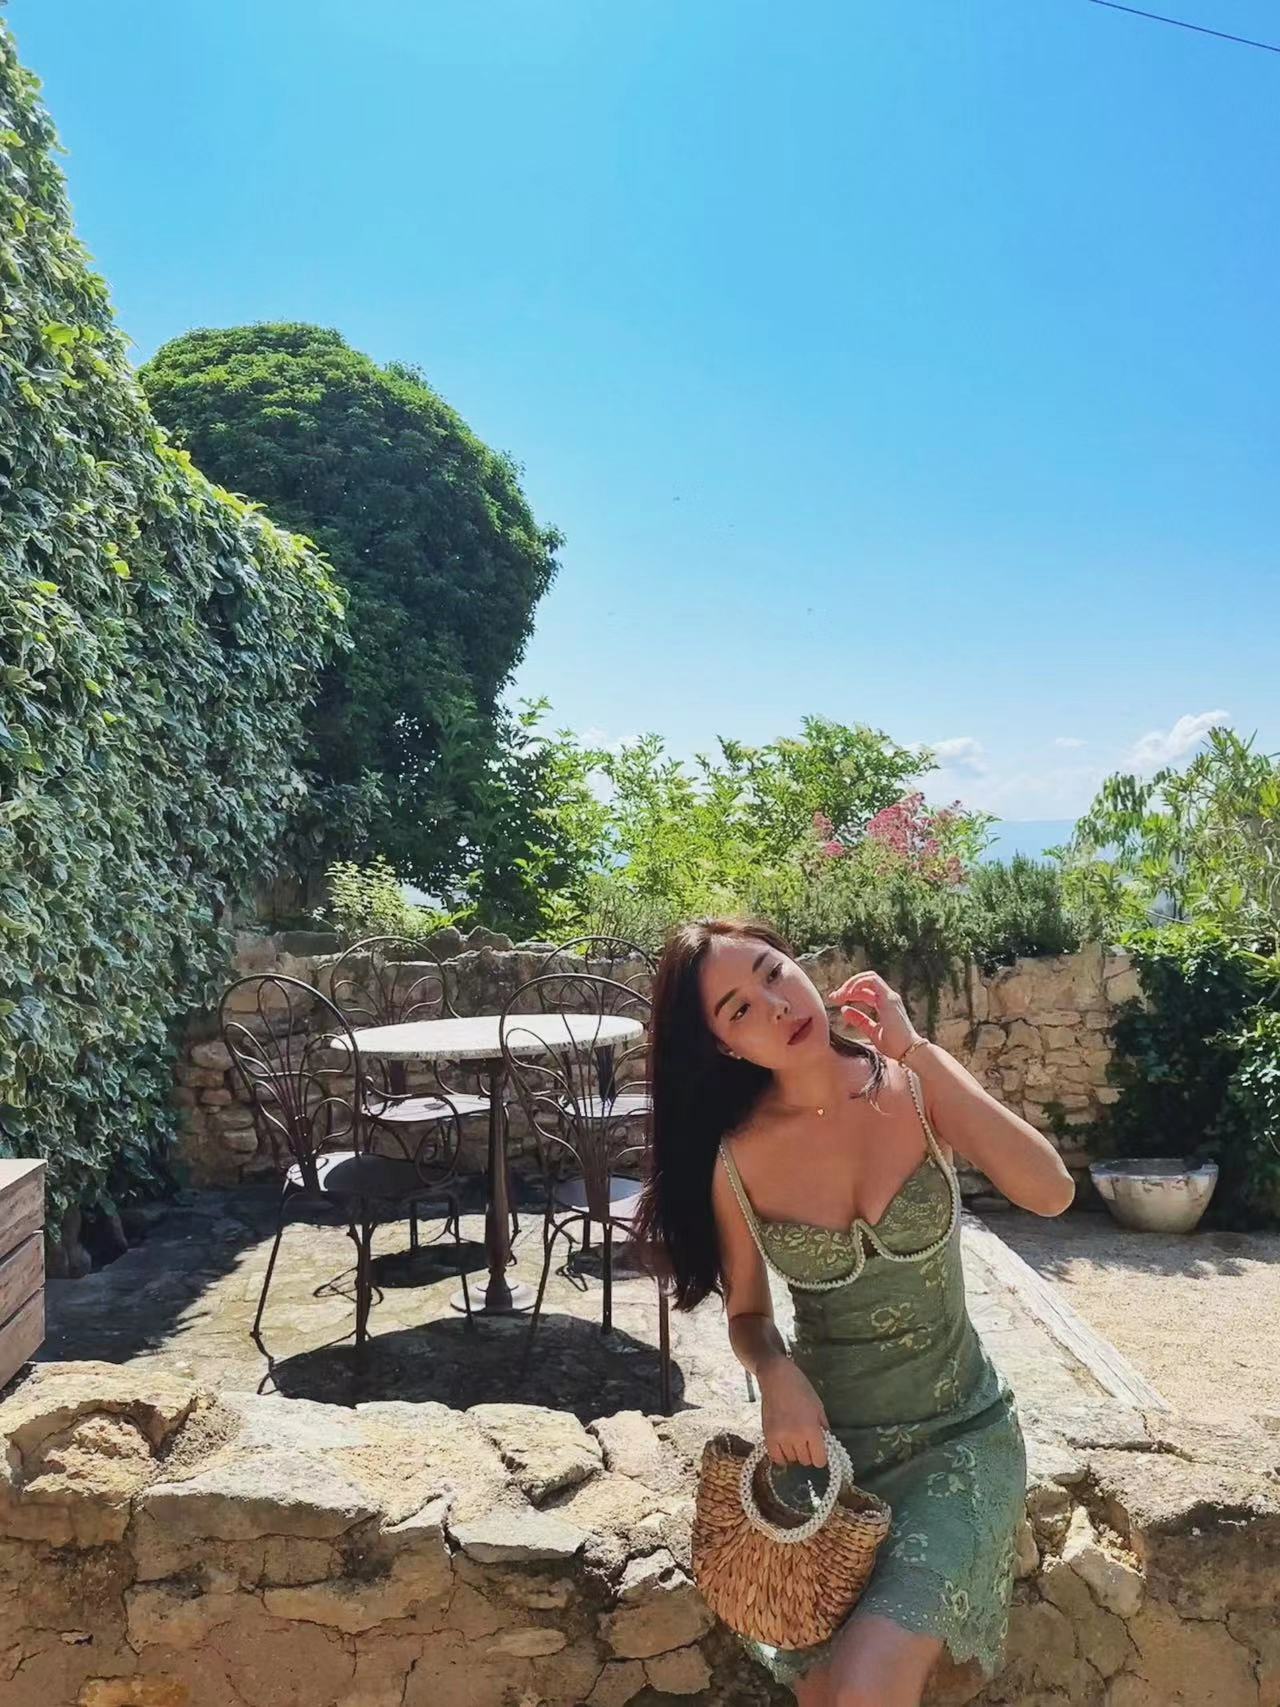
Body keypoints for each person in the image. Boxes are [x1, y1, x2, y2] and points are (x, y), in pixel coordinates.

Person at [633, 917, 1075, 1707]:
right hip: (828, 1461)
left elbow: (1051, 1191)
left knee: (867, 1687)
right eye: (739, 1008)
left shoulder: (915, 1086)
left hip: (960, 1440)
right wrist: (774, 1371)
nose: (776, 1004)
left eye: (773, 970)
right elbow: (747, 1314)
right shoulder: (737, 1159)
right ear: (723, 1046)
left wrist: (917, 1050)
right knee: (828, 1692)